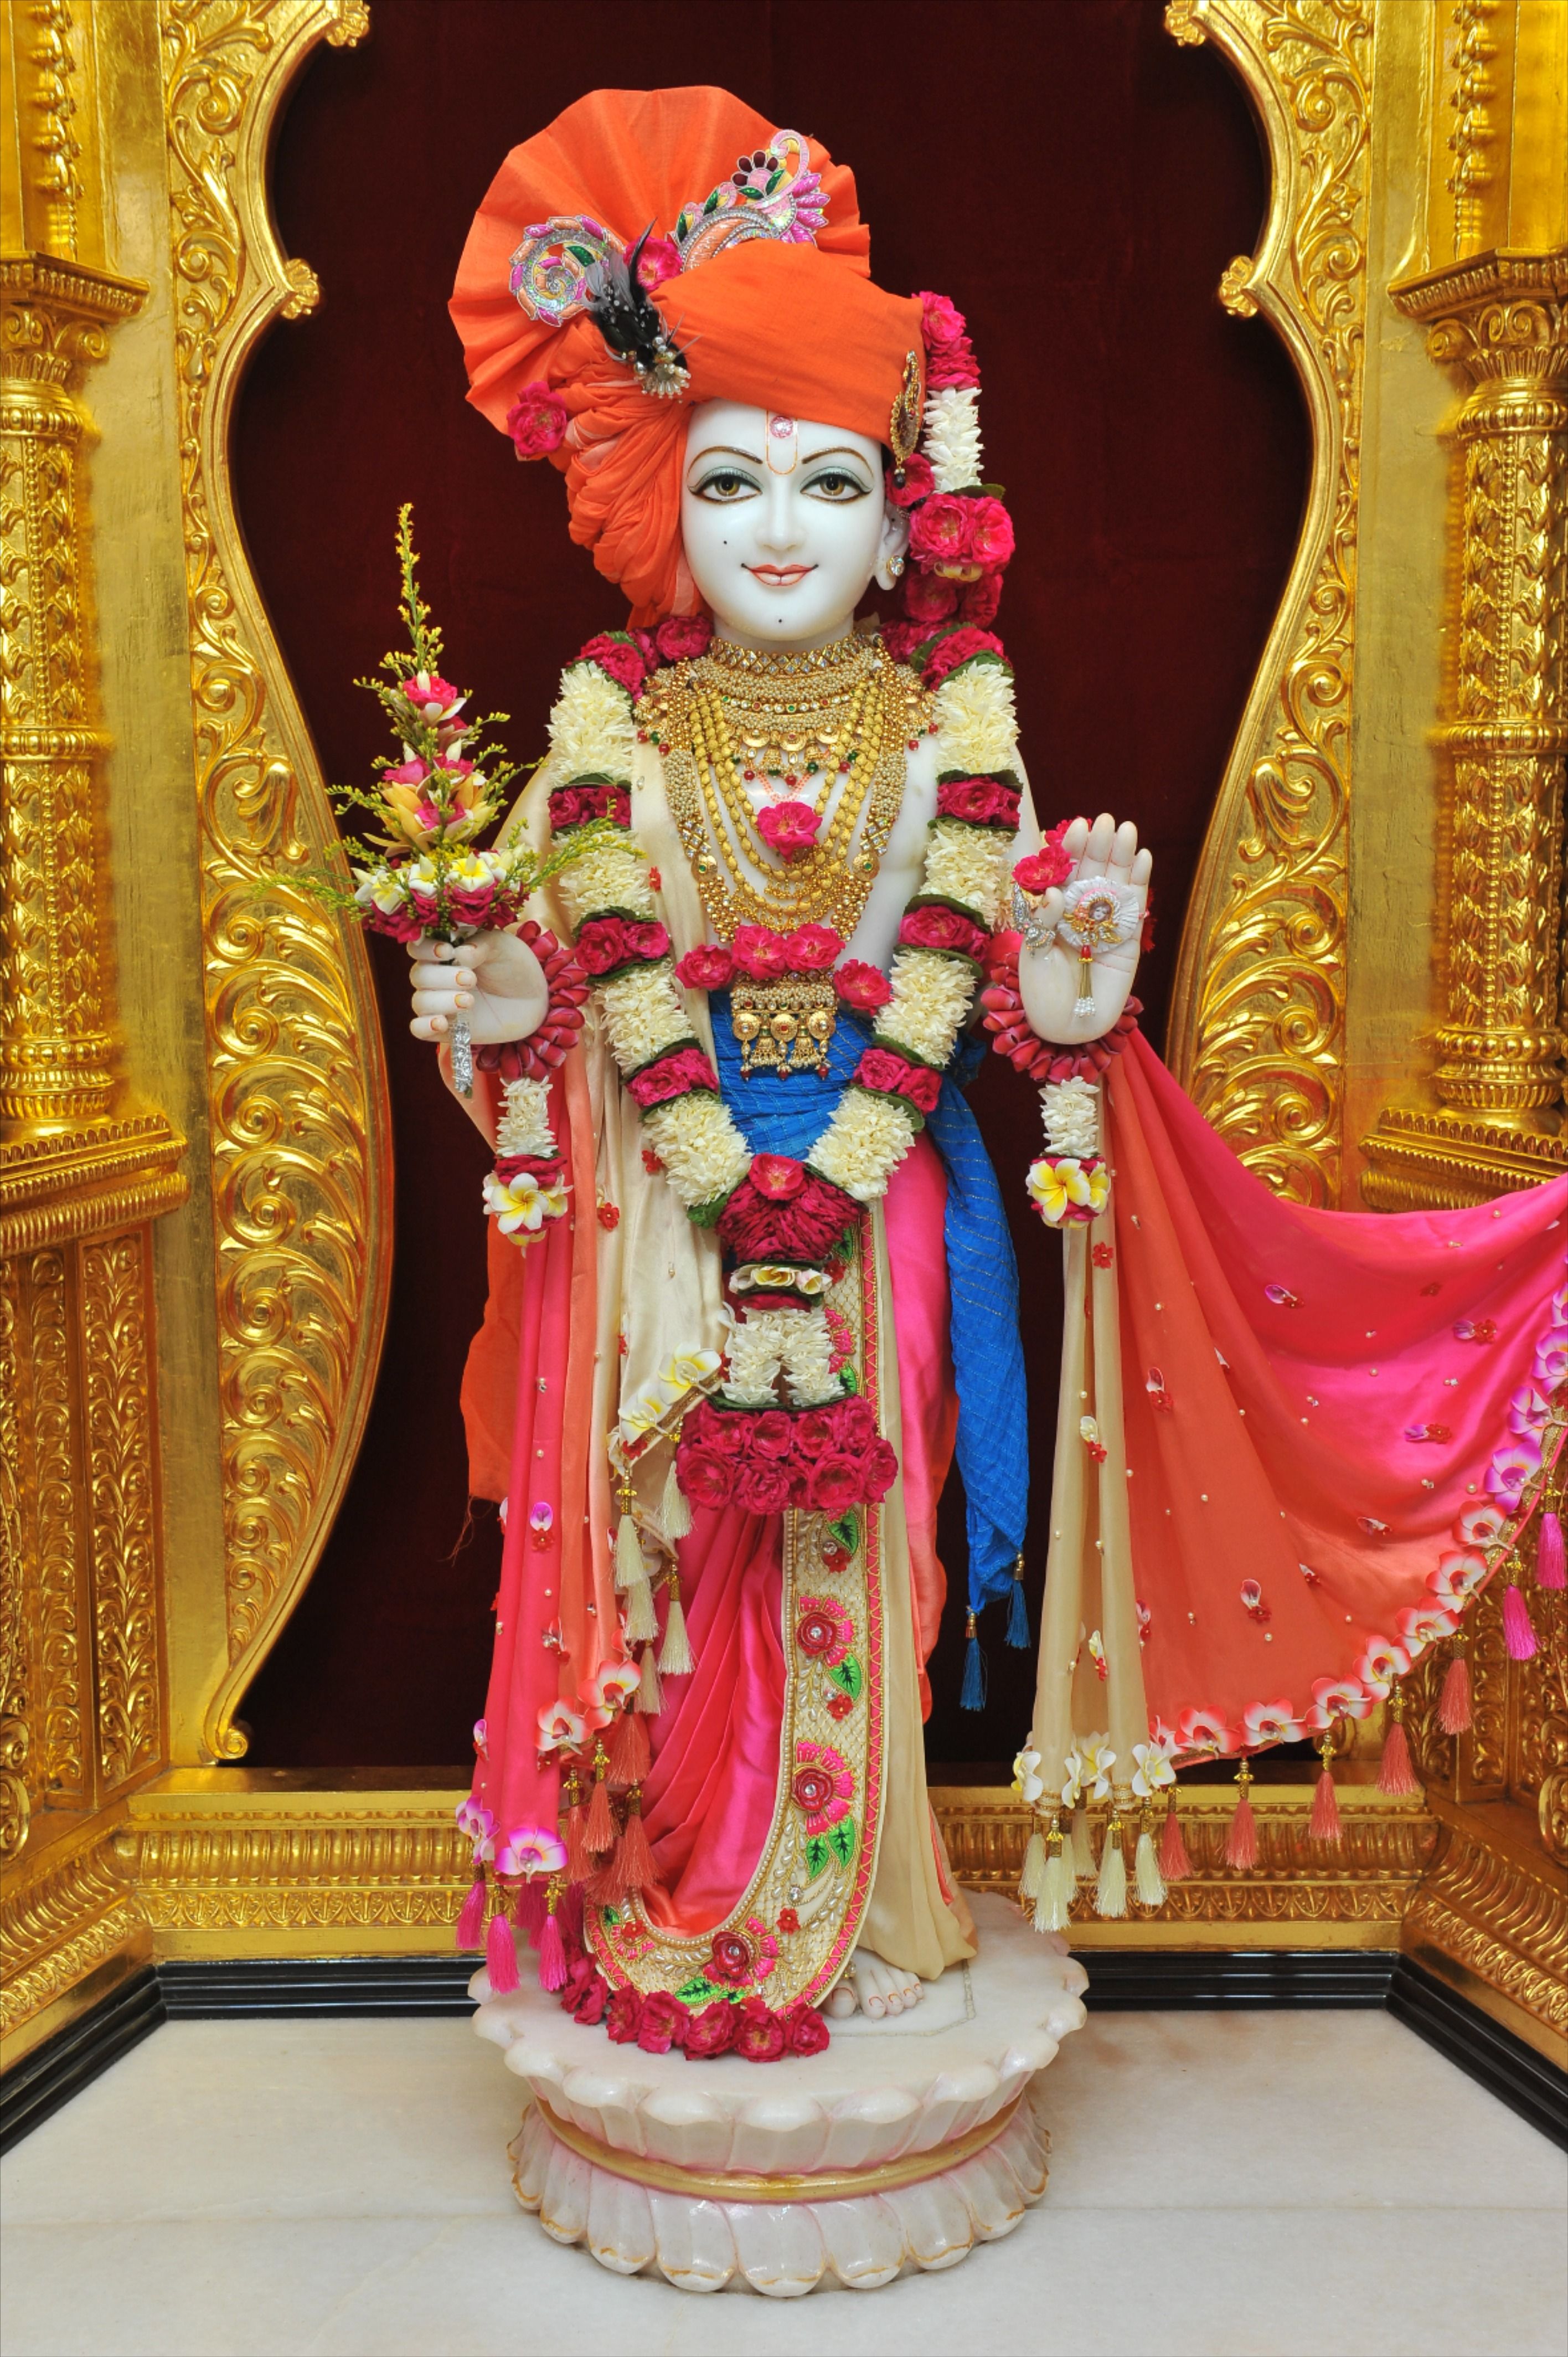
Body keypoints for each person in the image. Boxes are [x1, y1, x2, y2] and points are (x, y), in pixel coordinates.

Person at [413, 86, 1564, 2030]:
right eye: (733, 481)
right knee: (685, 1564)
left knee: (866, 1547)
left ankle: (860, 1908)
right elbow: (543, 1007)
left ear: (906, 510)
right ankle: (680, 1885)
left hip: (878, 1208)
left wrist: (1081, 990)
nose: (781, 532)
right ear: (662, 506)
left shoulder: (959, 731)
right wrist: (514, 1024)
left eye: (832, 484)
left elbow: (1015, 1006)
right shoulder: (601, 735)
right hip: (671, 1242)